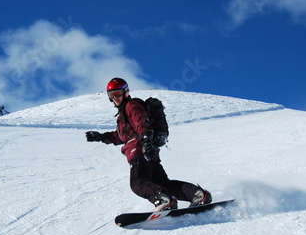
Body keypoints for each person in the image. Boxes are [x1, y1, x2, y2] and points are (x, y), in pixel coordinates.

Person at [86, 77, 212, 211]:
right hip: (147, 150)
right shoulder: (123, 116)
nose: (115, 98)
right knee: (163, 183)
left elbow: (142, 124)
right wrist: (100, 137)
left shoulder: (131, 106)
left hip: (139, 151)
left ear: (125, 92)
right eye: (111, 95)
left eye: (117, 94)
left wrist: (146, 143)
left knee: (137, 183)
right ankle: (197, 194)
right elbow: (120, 137)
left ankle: (163, 200)